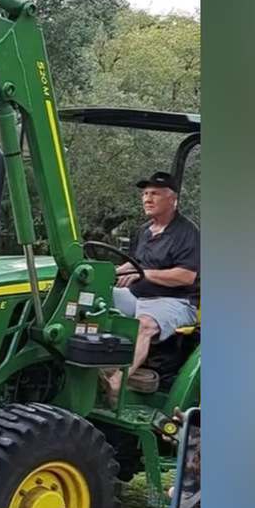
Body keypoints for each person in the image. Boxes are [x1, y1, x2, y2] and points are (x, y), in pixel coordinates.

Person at [100, 171, 200, 407]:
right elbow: (134, 263)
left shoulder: (187, 232)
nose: (147, 198)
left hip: (174, 301)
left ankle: (115, 384)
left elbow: (186, 276)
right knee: (94, 300)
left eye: (154, 193)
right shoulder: (145, 230)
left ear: (172, 198)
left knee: (144, 324)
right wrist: (111, 272)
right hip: (137, 295)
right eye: (145, 193)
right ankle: (94, 364)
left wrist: (142, 274)